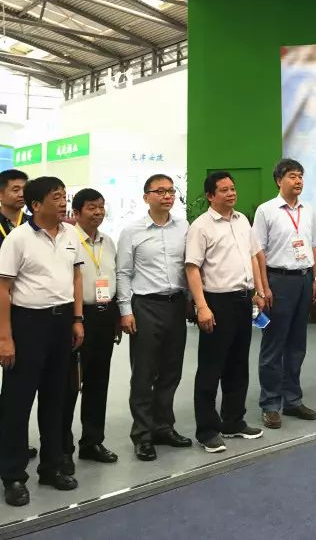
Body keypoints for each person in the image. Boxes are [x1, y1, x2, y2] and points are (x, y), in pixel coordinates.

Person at [0, 176, 84, 507]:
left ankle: (51, 467)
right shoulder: (18, 239)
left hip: (61, 322)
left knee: (56, 398)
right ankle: (13, 476)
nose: (63, 202)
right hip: (27, 324)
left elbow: (76, 276)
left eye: (64, 196)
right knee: (17, 403)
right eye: (56, 197)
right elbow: (3, 289)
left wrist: (77, 318)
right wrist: (5, 337)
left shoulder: (70, 234)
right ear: (36, 205)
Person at [186, 172, 266, 453]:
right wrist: (202, 306)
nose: (231, 193)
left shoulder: (242, 220)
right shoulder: (201, 226)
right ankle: (207, 430)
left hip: (243, 300)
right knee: (211, 367)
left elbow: (253, 257)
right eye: (224, 190)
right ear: (210, 195)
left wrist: (259, 290)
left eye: (233, 188)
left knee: (238, 365)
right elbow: (192, 268)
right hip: (216, 303)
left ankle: (233, 421)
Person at [117, 173, 191, 462]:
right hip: (145, 306)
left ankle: (163, 427)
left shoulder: (184, 227)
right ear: (146, 196)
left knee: (171, 371)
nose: (167, 195)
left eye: (170, 190)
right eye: (159, 191)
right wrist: (125, 311)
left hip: (176, 305)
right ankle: (143, 435)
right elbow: (123, 273)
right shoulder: (132, 231)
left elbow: (190, 267)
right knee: (144, 373)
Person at [253, 159, 316, 430]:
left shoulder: (308, 210)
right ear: (278, 180)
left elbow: (314, 245)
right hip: (277, 281)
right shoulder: (266, 210)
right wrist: (263, 288)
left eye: (301, 176)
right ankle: (270, 404)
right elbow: (257, 252)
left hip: (304, 279)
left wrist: (315, 279)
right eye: (293, 176)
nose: (298, 181)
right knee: (274, 345)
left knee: (297, 344)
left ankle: (292, 400)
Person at [62, 189, 119, 473]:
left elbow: (113, 277)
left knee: (98, 381)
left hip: (105, 315)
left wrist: (117, 317)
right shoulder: (68, 240)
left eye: (101, 207)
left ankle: (92, 442)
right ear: (76, 212)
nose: (98, 212)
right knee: (70, 385)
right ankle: (62, 449)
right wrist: (76, 318)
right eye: (91, 208)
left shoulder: (108, 241)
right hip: (78, 317)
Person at [0, 168, 37, 462]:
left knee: (17, 385)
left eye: (25, 188)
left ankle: (14, 445)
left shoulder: (31, 225)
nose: (22, 194)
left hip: (23, 313)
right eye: (15, 189)